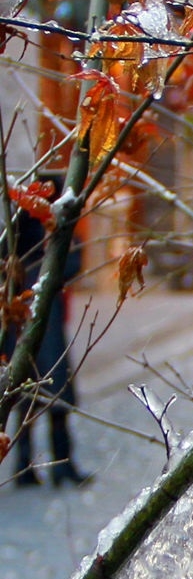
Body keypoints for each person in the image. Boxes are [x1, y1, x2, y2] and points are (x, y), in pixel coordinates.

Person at [1, 179, 91, 487]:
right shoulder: (27, 231)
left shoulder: (38, 230)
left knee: (41, 400)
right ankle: (37, 466)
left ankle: (47, 466)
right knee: (38, 399)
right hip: (34, 324)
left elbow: (72, 263)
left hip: (35, 325)